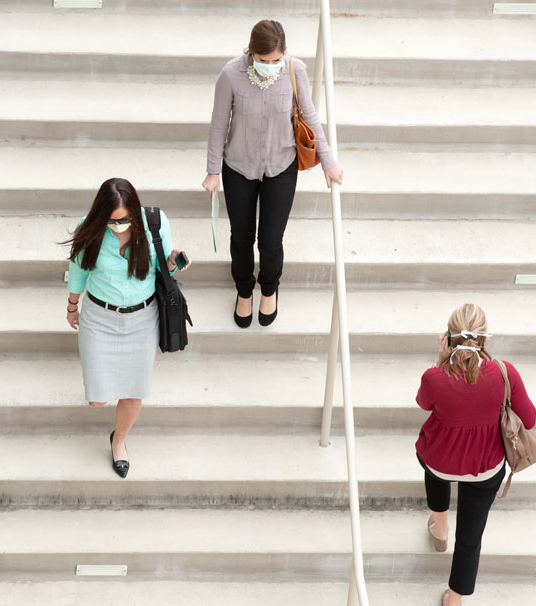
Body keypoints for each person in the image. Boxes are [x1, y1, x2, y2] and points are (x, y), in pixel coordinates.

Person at [202, 19, 345, 328]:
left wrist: (329, 160)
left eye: (276, 60)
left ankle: (269, 288)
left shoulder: (296, 71)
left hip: (281, 165)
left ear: (285, 53)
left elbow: (310, 115)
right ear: (251, 52)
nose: (271, 66)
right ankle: (244, 290)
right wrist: (213, 170)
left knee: (270, 240)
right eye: (264, 61)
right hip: (239, 165)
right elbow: (218, 125)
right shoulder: (230, 75)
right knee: (241, 238)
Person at [415, 304, 536, 606]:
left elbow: (422, 402)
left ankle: (439, 527)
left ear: (448, 338)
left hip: (441, 461)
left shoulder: (434, 376)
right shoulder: (505, 372)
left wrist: (440, 362)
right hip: (485, 467)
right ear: (485, 339)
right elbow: (530, 418)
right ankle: (453, 603)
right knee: (470, 537)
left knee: (429, 458)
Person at [62, 178, 187, 479]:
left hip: (142, 319)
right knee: (97, 399)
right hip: (99, 317)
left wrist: (174, 262)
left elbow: (163, 269)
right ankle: (114, 429)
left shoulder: (153, 223)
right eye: (113, 220)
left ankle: (119, 441)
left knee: (133, 394)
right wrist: (71, 306)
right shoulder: (89, 228)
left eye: (125, 218)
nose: (120, 224)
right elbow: (79, 270)